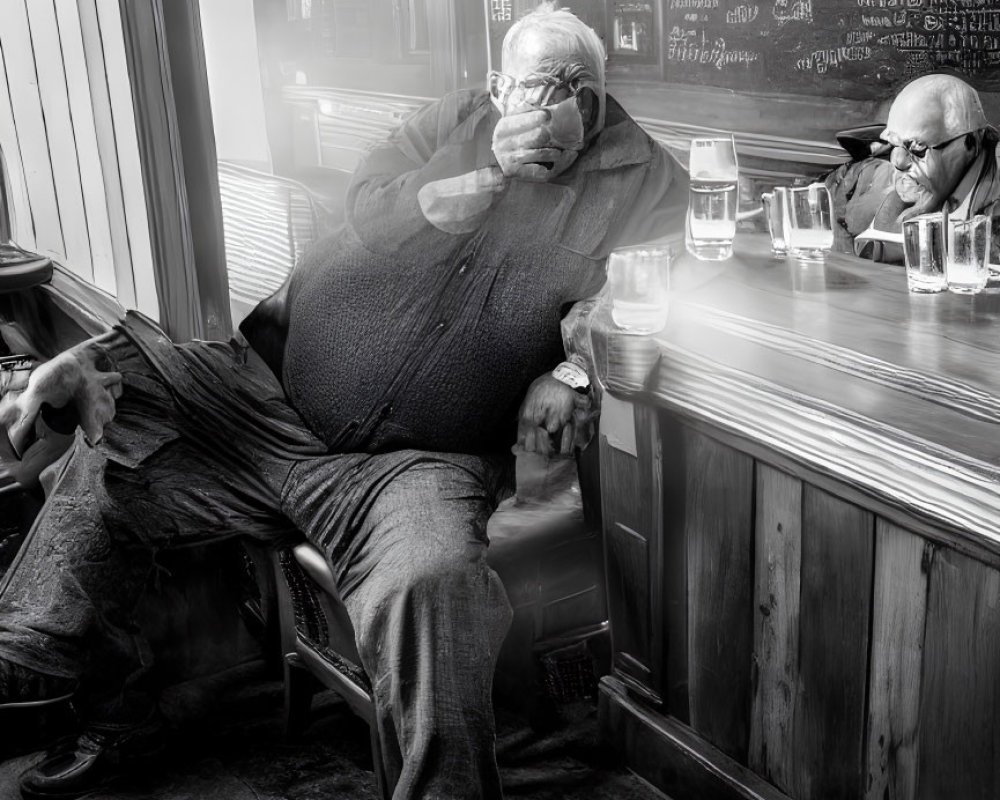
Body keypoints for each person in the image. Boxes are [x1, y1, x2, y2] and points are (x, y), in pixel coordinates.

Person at [0, 4, 687, 799]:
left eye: (581, 90)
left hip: (412, 471)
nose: (559, 107)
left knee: (432, 585)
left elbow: (656, 289)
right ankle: (92, 699)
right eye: (537, 86)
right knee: (107, 446)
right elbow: (359, 202)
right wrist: (439, 196)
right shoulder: (449, 122)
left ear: (604, 97)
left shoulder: (644, 177)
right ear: (499, 88)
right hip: (260, 403)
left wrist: (572, 374)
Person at [825, 73, 999, 263]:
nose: (898, 162)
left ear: (971, 143)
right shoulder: (885, 185)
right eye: (893, 144)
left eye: (918, 147)